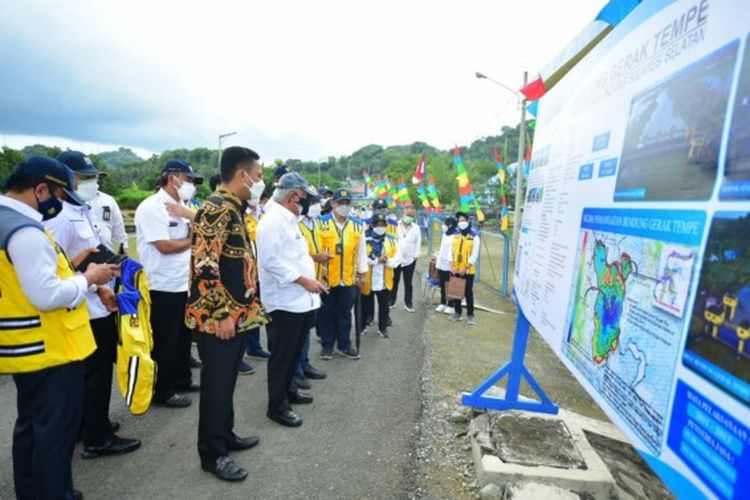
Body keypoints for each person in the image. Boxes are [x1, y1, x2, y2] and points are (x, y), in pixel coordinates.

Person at [0, 156, 117, 500]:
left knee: (32, 431)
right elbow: (47, 294)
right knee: (54, 437)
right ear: (40, 190)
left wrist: (94, 286)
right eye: (60, 195)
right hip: (51, 348)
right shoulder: (26, 232)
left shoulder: (7, 222)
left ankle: (32, 492)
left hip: (26, 347)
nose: (61, 203)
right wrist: (89, 279)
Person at [48, 151, 141, 459]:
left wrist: (102, 288)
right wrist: (94, 285)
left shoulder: (79, 207)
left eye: (89, 177)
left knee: (94, 371)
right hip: (80, 307)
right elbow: (59, 265)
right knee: (95, 371)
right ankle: (97, 437)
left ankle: (91, 423)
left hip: (95, 299)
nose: (87, 182)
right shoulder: (59, 214)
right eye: (81, 176)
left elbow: (92, 252)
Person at [185, 146, 267, 482]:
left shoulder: (234, 208)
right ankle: (213, 454)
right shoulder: (216, 209)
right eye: (258, 177)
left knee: (227, 381)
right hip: (218, 317)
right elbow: (205, 266)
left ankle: (226, 434)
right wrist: (220, 314)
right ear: (241, 174)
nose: (260, 183)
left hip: (237, 315)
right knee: (217, 386)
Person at [257, 172, 328, 428]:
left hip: (298, 301)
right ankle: (276, 407)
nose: (307, 203)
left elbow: (295, 256)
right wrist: (304, 281)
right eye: (305, 198)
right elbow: (271, 262)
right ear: (292, 196)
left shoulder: (288, 219)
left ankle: (289, 392)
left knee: (294, 352)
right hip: (284, 302)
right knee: (282, 357)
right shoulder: (273, 222)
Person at [134, 159, 202, 407]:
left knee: (184, 336)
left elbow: (204, 228)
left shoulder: (183, 205)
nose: (191, 185)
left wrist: (192, 225)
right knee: (165, 339)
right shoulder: (152, 207)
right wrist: (192, 240)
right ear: (173, 178)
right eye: (188, 179)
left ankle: (182, 378)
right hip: (162, 285)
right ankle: (162, 389)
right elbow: (164, 246)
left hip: (184, 281)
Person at [316, 189, 368, 360]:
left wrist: (362, 274)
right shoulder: (320, 223)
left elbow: (361, 252)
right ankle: (327, 344)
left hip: (348, 278)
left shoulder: (357, 225)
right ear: (333, 204)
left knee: (345, 313)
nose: (344, 206)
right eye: (341, 202)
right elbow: (316, 250)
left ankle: (345, 344)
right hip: (326, 279)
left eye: (347, 203)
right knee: (326, 313)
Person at [295, 196, 330, 390]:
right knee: (297, 331)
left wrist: (323, 274)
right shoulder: (296, 225)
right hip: (300, 283)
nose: (317, 207)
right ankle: (296, 371)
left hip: (315, 282)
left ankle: (305, 363)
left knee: (307, 327)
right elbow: (294, 255)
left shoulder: (315, 224)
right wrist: (316, 257)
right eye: (314, 203)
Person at [362, 213, 400, 337]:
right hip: (368, 278)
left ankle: (382, 328)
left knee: (384, 306)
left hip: (384, 279)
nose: (381, 226)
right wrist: (376, 260)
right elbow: (360, 257)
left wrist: (387, 261)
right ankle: (362, 326)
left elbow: (397, 258)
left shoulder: (391, 239)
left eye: (383, 224)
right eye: (378, 224)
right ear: (373, 225)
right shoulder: (365, 238)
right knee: (365, 304)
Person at [86, 170, 129, 254]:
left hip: (107, 256)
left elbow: (119, 230)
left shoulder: (108, 200)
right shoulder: (70, 202)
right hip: (79, 260)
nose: (94, 180)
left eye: (95, 177)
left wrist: (124, 247)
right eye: (89, 177)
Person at [450, 212, 480, 324]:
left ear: (468, 221)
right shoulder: (456, 234)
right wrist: (452, 266)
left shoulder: (474, 235)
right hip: (456, 269)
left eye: (463, 220)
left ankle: (470, 315)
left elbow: (474, 255)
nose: (461, 222)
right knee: (456, 291)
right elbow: (451, 251)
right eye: (459, 221)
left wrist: (466, 268)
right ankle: (457, 313)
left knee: (468, 293)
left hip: (467, 270)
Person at [391, 206, 421, 313]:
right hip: (396, 258)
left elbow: (418, 242)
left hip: (409, 260)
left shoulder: (416, 228)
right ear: (403, 213)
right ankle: (392, 301)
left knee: (408, 282)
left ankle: (408, 302)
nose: (410, 217)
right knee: (394, 281)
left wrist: (415, 256)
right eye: (408, 215)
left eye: (412, 216)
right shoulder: (395, 225)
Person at [435, 216, 457, 314]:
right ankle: (443, 302)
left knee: (451, 284)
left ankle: (451, 305)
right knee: (442, 284)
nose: (443, 226)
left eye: (445, 224)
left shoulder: (455, 236)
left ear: (450, 225)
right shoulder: (445, 234)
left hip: (450, 264)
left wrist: (452, 264)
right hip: (442, 263)